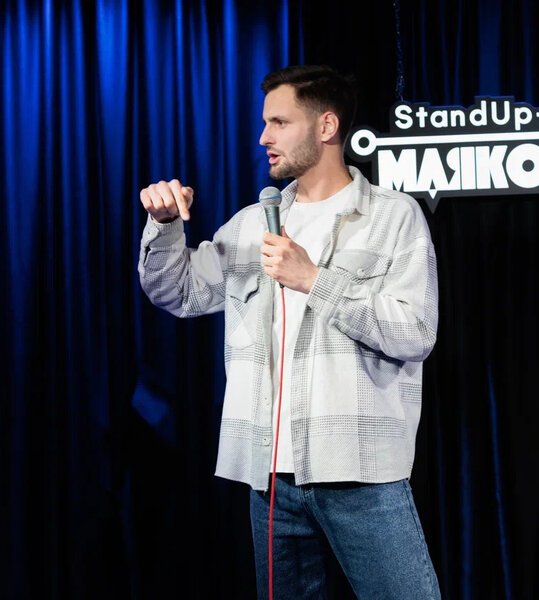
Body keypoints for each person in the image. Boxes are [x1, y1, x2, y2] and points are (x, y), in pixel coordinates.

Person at [138, 64, 440, 600]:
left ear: (326, 126)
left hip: (358, 468)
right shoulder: (252, 223)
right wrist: (165, 228)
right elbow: (179, 293)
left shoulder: (393, 217)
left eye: (278, 122)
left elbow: (415, 332)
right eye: (265, 123)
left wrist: (315, 280)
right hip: (271, 477)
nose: (263, 137)